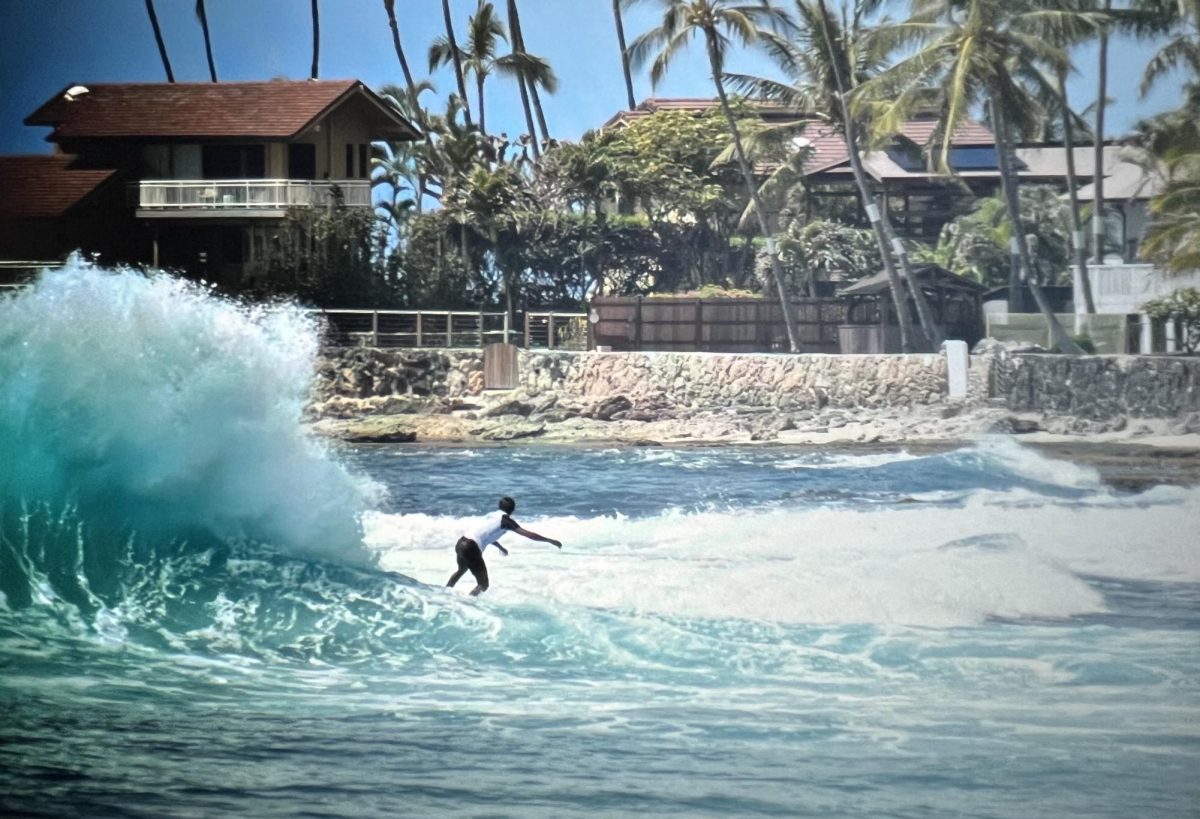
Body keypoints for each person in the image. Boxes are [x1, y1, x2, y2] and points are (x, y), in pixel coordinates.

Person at [446, 496, 561, 596]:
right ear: (513, 509)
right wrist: (549, 540)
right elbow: (529, 535)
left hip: (461, 543)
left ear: (499, 506)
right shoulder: (506, 521)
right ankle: (468, 603)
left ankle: (444, 593)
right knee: (483, 584)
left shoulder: (491, 516)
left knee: (461, 570)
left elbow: (485, 535)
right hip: (471, 547)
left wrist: (500, 547)